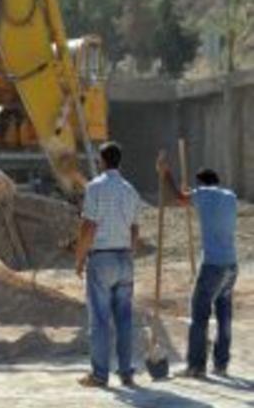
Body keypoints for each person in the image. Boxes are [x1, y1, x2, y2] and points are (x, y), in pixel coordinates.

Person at [157, 153, 238, 378]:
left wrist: (166, 173)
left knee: (199, 315)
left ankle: (195, 366)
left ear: (200, 183)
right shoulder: (230, 196)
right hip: (232, 265)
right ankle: (221, 364)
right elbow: (196, 200)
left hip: (212, 265)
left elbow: (177, 198)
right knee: (224, 316)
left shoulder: (202, 194)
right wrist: (192, 193)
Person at [76, 141, 141, 388]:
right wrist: (129, 255)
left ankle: (100, 375)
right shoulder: (130, 190)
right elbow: (135, 229)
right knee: (124, 319)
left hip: (101, 258)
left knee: (100, 320)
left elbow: (89, 227)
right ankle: (126, 372)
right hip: (125, 258)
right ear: (119, 161)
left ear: (101, 161)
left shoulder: (95, 187)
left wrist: (80, 258)